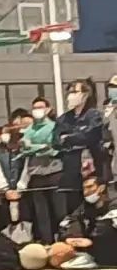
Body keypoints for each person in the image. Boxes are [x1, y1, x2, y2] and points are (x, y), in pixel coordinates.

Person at [54, 79, 105, 214]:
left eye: (75, 92)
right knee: (74, 209)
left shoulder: (94, 115)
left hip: (92, 170)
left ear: (85, 94)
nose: (70, 96)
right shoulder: (63, 119)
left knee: (95, 207)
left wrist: (69, 138)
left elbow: (91, 135)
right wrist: (73, 138)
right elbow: (56, 141)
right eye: (69, 92)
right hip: (71, 171)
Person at [20, 96, 64, 243]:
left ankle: (65, 239)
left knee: (60, 211)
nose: (37, 111)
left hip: (55, 172)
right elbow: (24, 149)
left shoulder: (55, 126)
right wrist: (39, 147)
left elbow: (54, 147)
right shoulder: (29, 129)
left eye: (40, 107)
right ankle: (47, 242)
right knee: (41, 214)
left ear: (48, 109)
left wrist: (36, 148)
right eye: (35, 108)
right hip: (36, 175)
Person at [58, 175, 117, 267]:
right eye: (84, 188)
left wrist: (91, 240)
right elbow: (70, 220)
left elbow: (108, 224)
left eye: (90, 187)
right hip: (93, 248)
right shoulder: (85, 207)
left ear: (101, 188)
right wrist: (71, 236)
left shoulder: (114, 203)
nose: (86, 192)